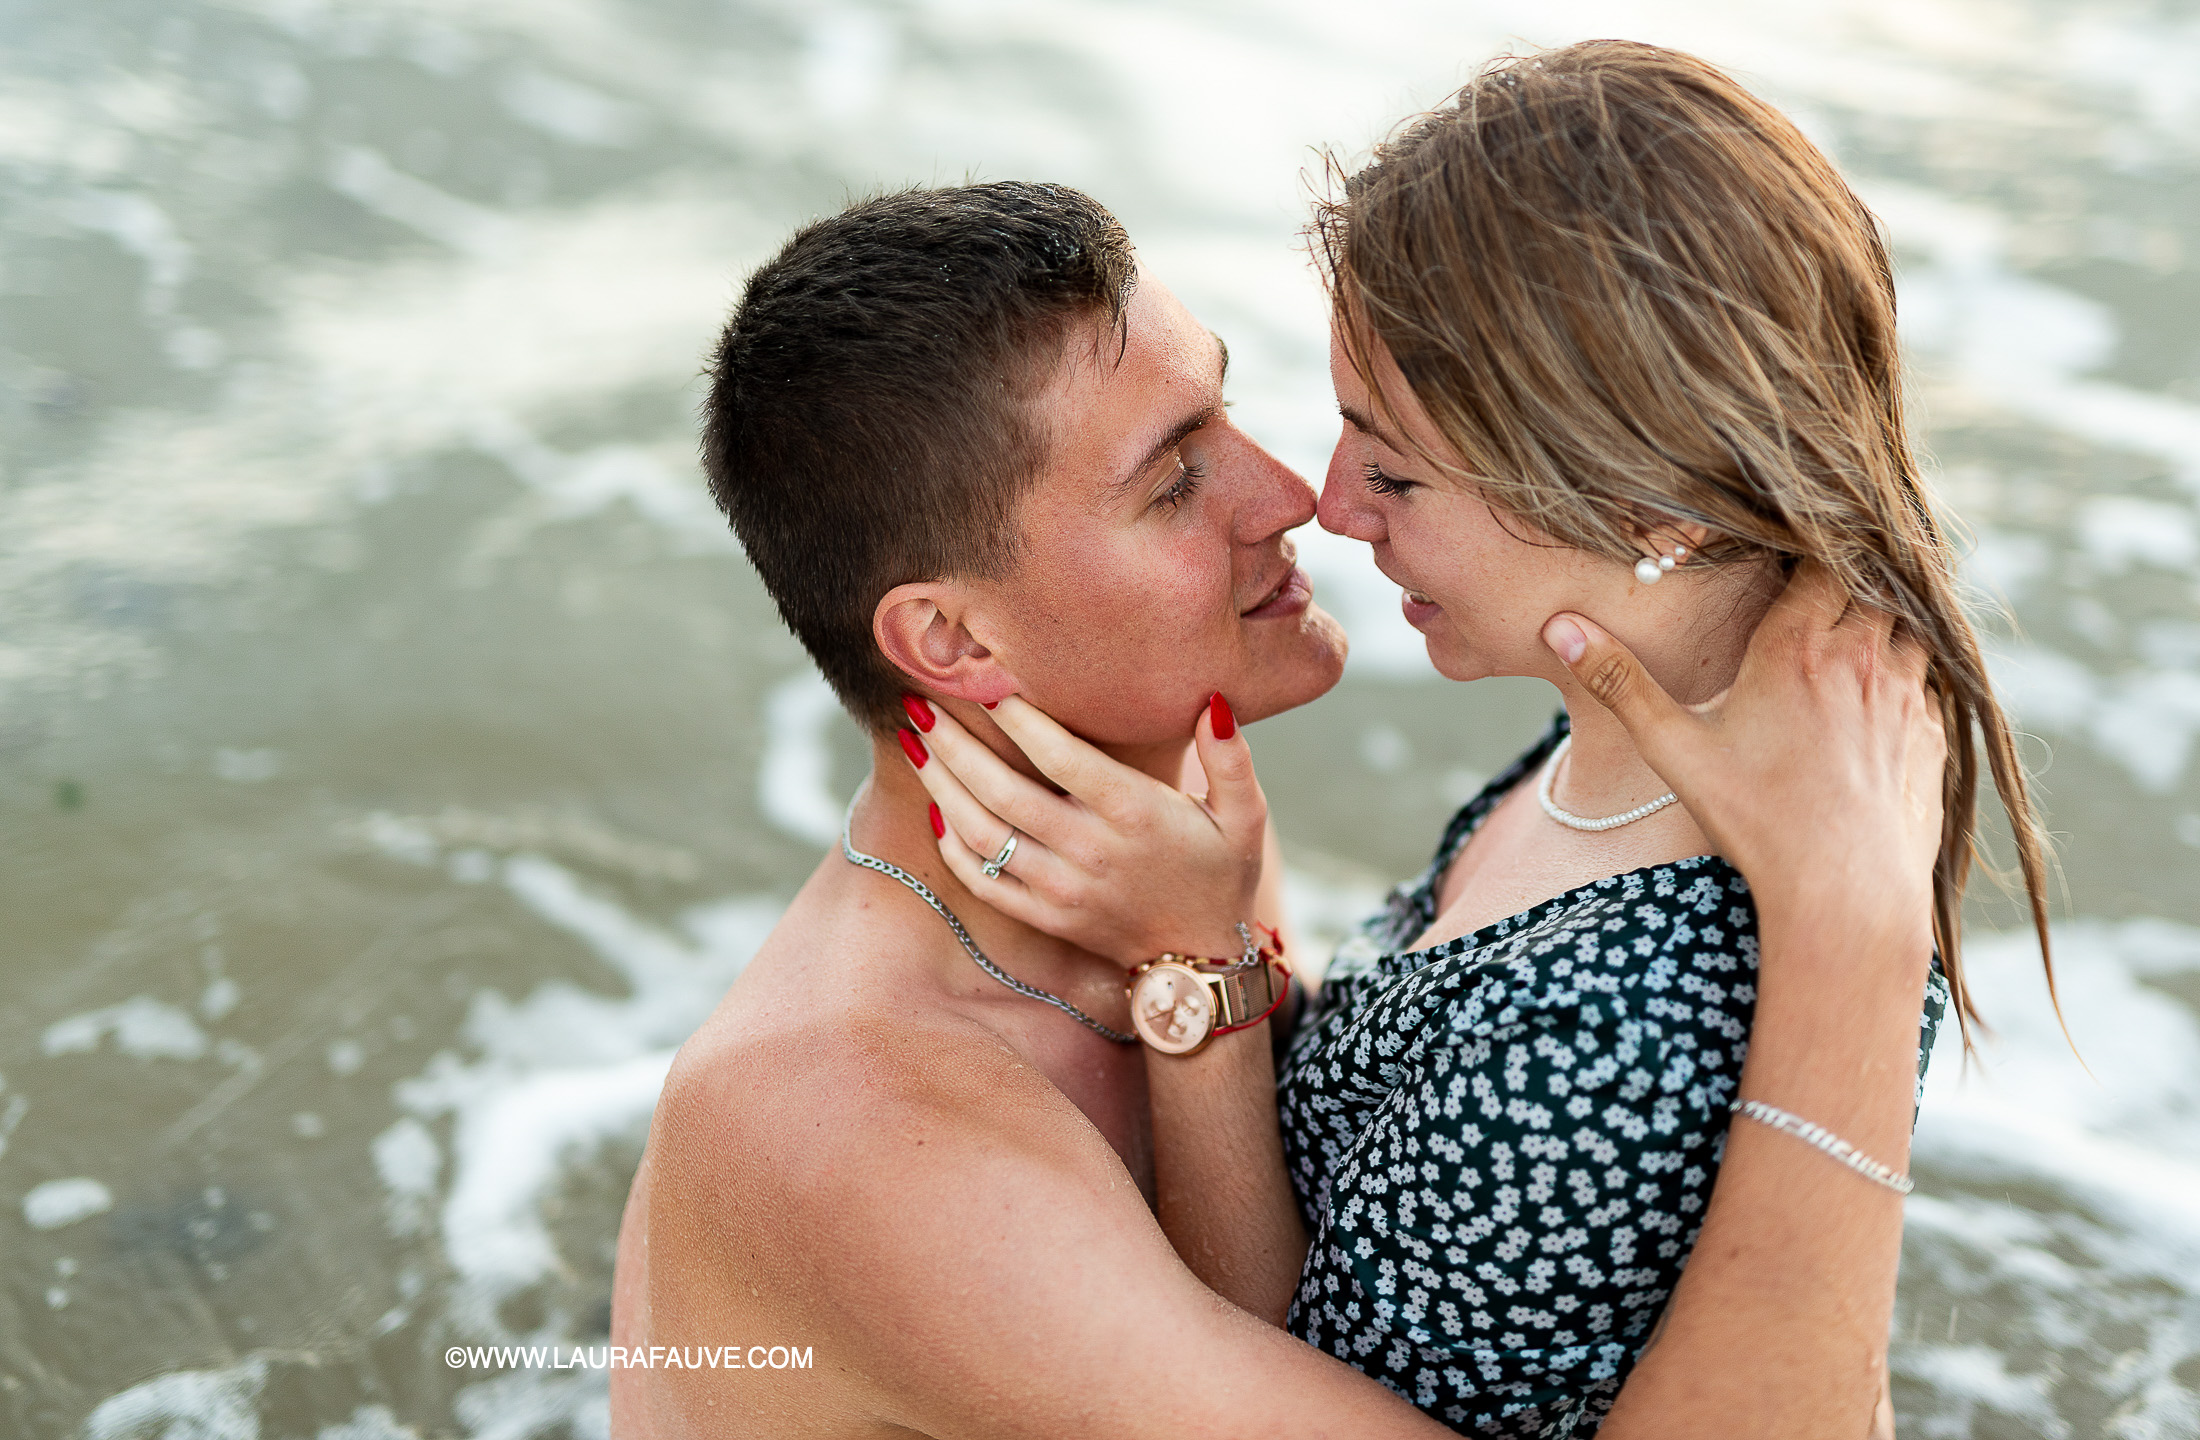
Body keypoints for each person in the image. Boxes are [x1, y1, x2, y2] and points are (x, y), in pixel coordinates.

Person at [905, 41, 2054, 1438]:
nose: (1330, 503)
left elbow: (1278, 1384)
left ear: (1648, 507)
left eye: (1392, 465)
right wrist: (1239, 923)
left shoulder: (1614, 1029)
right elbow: (1410, 1131)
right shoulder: (1661, 735)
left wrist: (1198, 976)